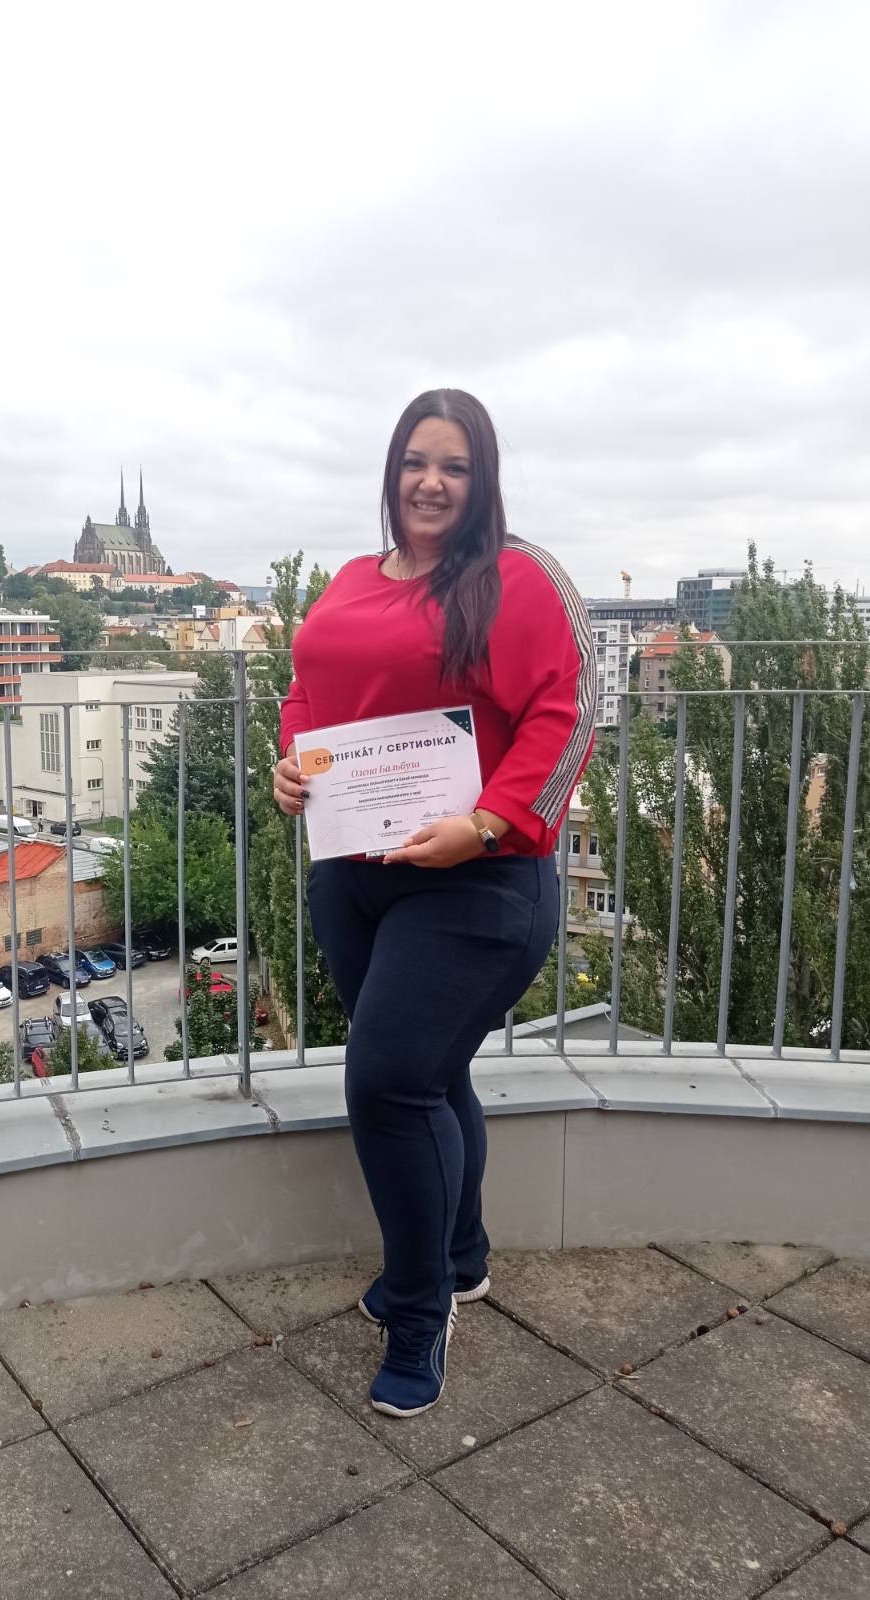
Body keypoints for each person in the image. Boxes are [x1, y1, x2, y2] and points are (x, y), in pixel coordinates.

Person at [274, 389, 597, 1419]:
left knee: (385, 1084)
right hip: (355, 872)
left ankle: (419, 1315)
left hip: (474, 881)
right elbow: (306, 692)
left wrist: (490, 823)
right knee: (426, 1074)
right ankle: (460, 1258)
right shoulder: (351, 578)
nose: (430, 482)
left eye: (454, 466)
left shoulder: (516, 576)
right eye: (416, 461)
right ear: (392, 470)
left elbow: (571, 710)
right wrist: (291, 761)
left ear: (481, 478)